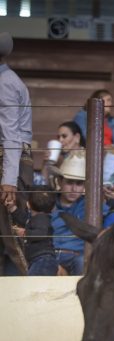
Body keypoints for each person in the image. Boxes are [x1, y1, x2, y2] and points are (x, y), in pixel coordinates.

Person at [0, 32, 33, 275]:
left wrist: (9, 180)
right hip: (11, 160)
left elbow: (11, 134)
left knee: (12, 236)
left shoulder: (6, 84)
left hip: (10, 163)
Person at [51, 152, 100, 275]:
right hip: (49, 256)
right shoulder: (47, 202)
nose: (74, 189)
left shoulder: (91, 204)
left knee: (81, 262)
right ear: (60, 181)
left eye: (79, 184)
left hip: (78, 258)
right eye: (69, 182)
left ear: (84, 186)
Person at [7, 185, 57, 276]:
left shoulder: (42, 219)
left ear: (28, 204)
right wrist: (12, 208)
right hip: (40, 260)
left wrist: (25, 233)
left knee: (33, 285)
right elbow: (24, 219)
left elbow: (41, 234)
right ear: (53, 208)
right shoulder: (35, 218)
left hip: (43, 259)